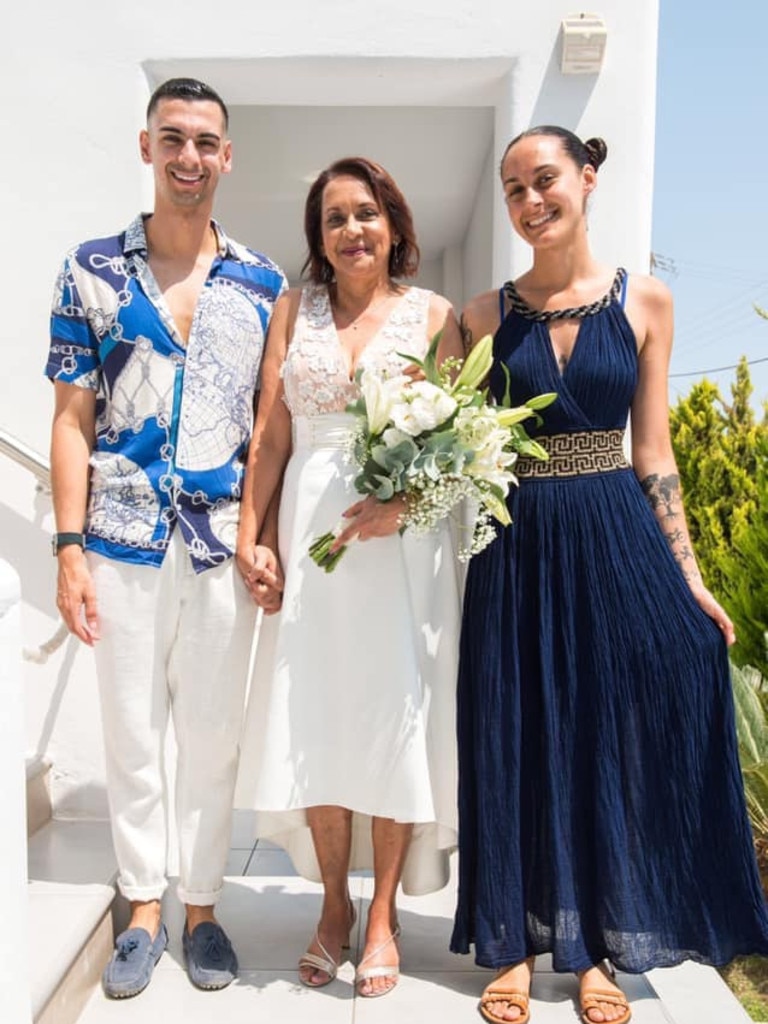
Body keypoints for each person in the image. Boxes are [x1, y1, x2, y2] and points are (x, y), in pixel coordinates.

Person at [449, 125, 768, 1024]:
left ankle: (598, 953)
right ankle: (511, 945)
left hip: (613, 533)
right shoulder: (479, 317)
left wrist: (690, 578)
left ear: (586, 180)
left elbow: (655, 454)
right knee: (513, 731)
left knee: (607, 738)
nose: (528, 201)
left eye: (543, 179)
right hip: (515, 547)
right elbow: (448, 441)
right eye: (513, 189)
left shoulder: (646, 303)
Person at [45, 77, 286, 999]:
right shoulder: (89, 269)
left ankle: (203, 907)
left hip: (221, 539)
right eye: (173, 139)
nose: (190, 158)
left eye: (207, 143)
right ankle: (143, 910)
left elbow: (269, 432)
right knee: (131, 733)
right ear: (147, 148)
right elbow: (69, 419)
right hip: (118, 536)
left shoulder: (262, 282)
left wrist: (260, 535)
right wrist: (68, 547)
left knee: (214, 735)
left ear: (228, 157)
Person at [234, 156, 463, 998]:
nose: (351, 229)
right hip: (311, 532)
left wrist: (406, 504)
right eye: (333, 218)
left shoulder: (435, 316)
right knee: (320, 714)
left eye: (365, 213)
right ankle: (332, 905)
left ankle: (383, 915)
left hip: (402, 546)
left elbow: (459, 450)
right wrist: (250, 536)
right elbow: (270, 435)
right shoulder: (293, 311)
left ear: (394, 225)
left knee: (394, 713)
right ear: (318, 239)